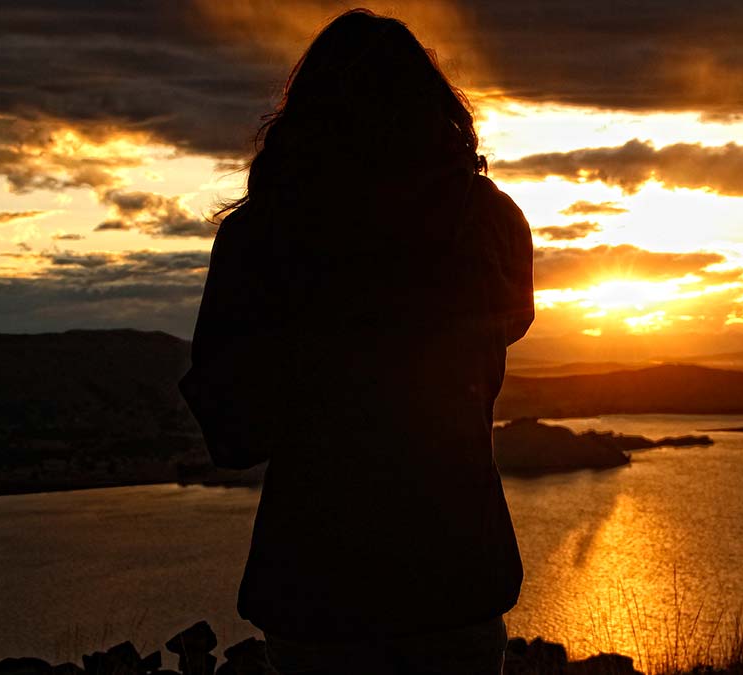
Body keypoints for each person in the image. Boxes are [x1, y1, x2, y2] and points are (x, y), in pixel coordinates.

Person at [180, 9, 534, 674]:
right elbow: (512, 324)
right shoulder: (491, 220)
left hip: (319, 598)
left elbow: (232, 435)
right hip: (457, 585)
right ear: (435, 108)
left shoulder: (261, 237)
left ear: (307, 115)